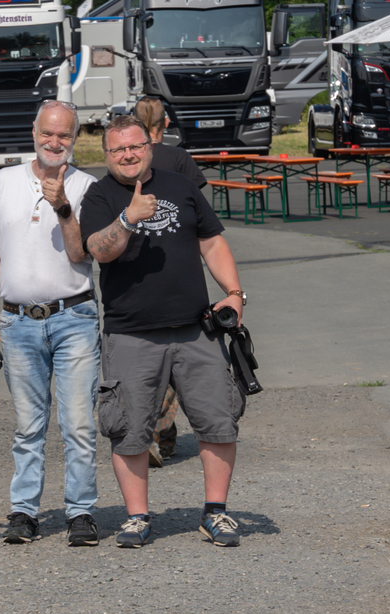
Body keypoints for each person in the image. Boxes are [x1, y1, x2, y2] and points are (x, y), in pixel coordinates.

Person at [80, 115, 247, 548]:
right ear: (107, 155)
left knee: (217, 421)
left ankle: (216, 513)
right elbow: (100, 250)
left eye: (134, 146)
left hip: (196, 328)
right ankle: (137, 517)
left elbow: (211, 242)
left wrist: (233, 293)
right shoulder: (99, 196)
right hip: (132, 333)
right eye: (117, 150)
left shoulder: (180, 186)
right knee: (129, 428)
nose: (128, 155)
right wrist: (129, 218)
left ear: (150, 145)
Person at [0, 100, 101, 547]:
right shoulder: (3, 182)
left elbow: (82, 253)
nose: (55, 142)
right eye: (48, 133)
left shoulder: (87, 187)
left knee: (79, 423)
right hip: (18, 322)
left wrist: (62, 205)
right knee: (28, 425)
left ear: (75, 139)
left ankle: (80, 511)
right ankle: (24, 511)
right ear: (34, 132)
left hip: (74, 318)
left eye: (64, 135)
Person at [134, 96, 207, 466]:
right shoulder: (179, 159)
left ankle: (145, 432)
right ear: (164, 124)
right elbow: (199, 213)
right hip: (178, 270)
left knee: (145, 363)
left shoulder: (127, 158)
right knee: (177, 363)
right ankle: (164, 433)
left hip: (136, 270)